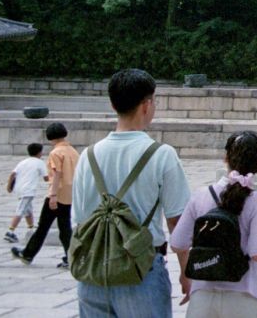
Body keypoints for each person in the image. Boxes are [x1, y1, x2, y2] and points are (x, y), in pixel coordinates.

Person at [72, 68, 191, 318]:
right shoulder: (161, 154)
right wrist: (186, 270)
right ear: (146, 105)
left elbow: (80, 219)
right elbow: (176, 222)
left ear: (113, 104)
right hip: (141, 270)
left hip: (93, 272)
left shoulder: (88, 156)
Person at [171, 131, 257, 317]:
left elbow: (178, 243)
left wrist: (187, 274)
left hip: (203, 295)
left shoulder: (201, 195)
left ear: (226, 157)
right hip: (244, 295)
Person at [12, 122, 78, 268]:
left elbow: (57, 174)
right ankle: (70, 256)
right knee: (65, 227)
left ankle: (28, 254)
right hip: (69, 194)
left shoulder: (56, 153)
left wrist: (53, 195)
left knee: (43, 227)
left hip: (57, 194)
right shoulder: (73, 151)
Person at [4, 142, 47, 243]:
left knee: (28, 210)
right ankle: (10, 231)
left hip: (19, 189)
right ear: (39, 152)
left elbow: (12, 174)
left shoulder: (23, 162)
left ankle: (31, 229)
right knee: (21, 210)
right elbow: (46, 177)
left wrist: (9, 186)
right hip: (28, 189)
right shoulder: (39, 162)